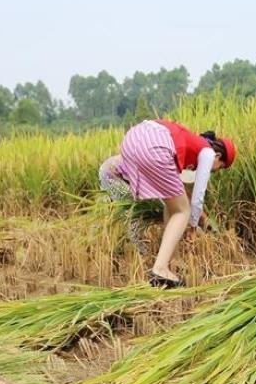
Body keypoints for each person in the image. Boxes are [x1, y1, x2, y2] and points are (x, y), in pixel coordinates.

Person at [99, 119, 236, 288]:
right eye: (220, 167)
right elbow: (198, 196)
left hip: (132, 140)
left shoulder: (189, 147)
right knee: (182, 211)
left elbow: (176, 194)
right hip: (153, 147)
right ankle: (160, 269)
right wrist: (193, 226)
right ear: (218, 156)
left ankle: (174, 259)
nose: (215, 171)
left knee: (172, 206)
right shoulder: (208, 153)